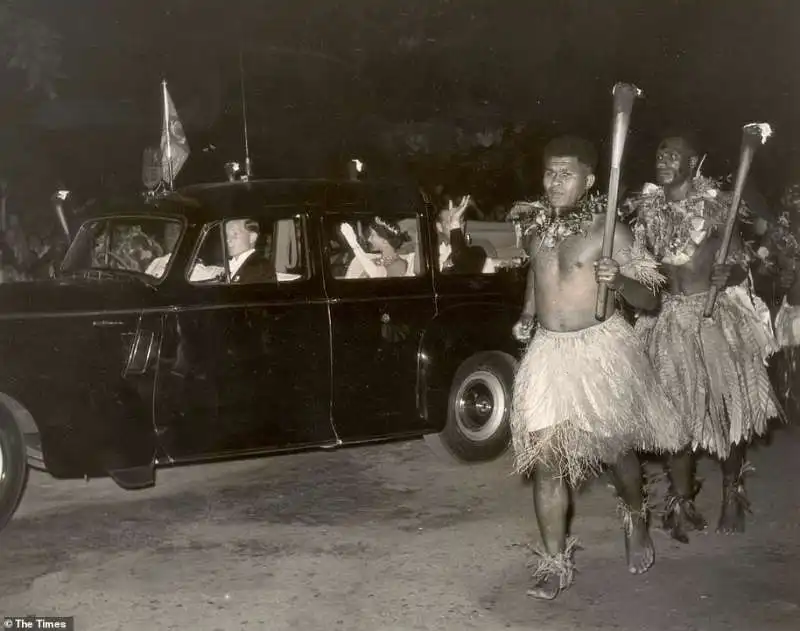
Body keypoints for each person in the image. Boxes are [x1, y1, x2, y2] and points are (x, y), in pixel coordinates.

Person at [510, 136, 684, 600]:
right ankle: (554, 561)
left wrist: (620, 279)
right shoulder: (537, 230)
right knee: (546, 462)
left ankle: (635, 519)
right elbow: (536, 273)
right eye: (549, 172)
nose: (554, 182)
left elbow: (650, 299)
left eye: (566, 174)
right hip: (548, 351)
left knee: (616, 454)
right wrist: (528, 312)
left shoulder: (611, 232)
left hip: (598, 350)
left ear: (589, 180)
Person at [627, 134, 783, 542]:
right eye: (660, 152)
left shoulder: (714, 208)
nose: (663, 159)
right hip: (665, 319)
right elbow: (644, 267)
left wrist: (727, 274)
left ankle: (733, 492)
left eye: (672, 154)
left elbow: (738, 262)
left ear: (692, 162)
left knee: (723, 413)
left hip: (710, 316)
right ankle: (682, 502)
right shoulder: (647, 209)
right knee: (672, 418)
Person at [339, 216, 411, 278]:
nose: (369, 239)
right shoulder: (376, 259)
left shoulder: (398, 265)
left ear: (385, 241)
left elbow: (376, 275)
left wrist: (354, 245)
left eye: (373, 235)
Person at [436, 195, 490, 274]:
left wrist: (454, 223)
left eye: (460, 222)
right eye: (449, 222)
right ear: (439, 227)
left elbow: (461, 261)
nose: (458, 226)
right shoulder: (430, 254)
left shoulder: (477, 253)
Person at [224, 218, 275, 283]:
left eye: (235, 234)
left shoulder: (260, 268)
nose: (228, 240)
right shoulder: (229, 264)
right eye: (226, 235)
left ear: (252, 237)